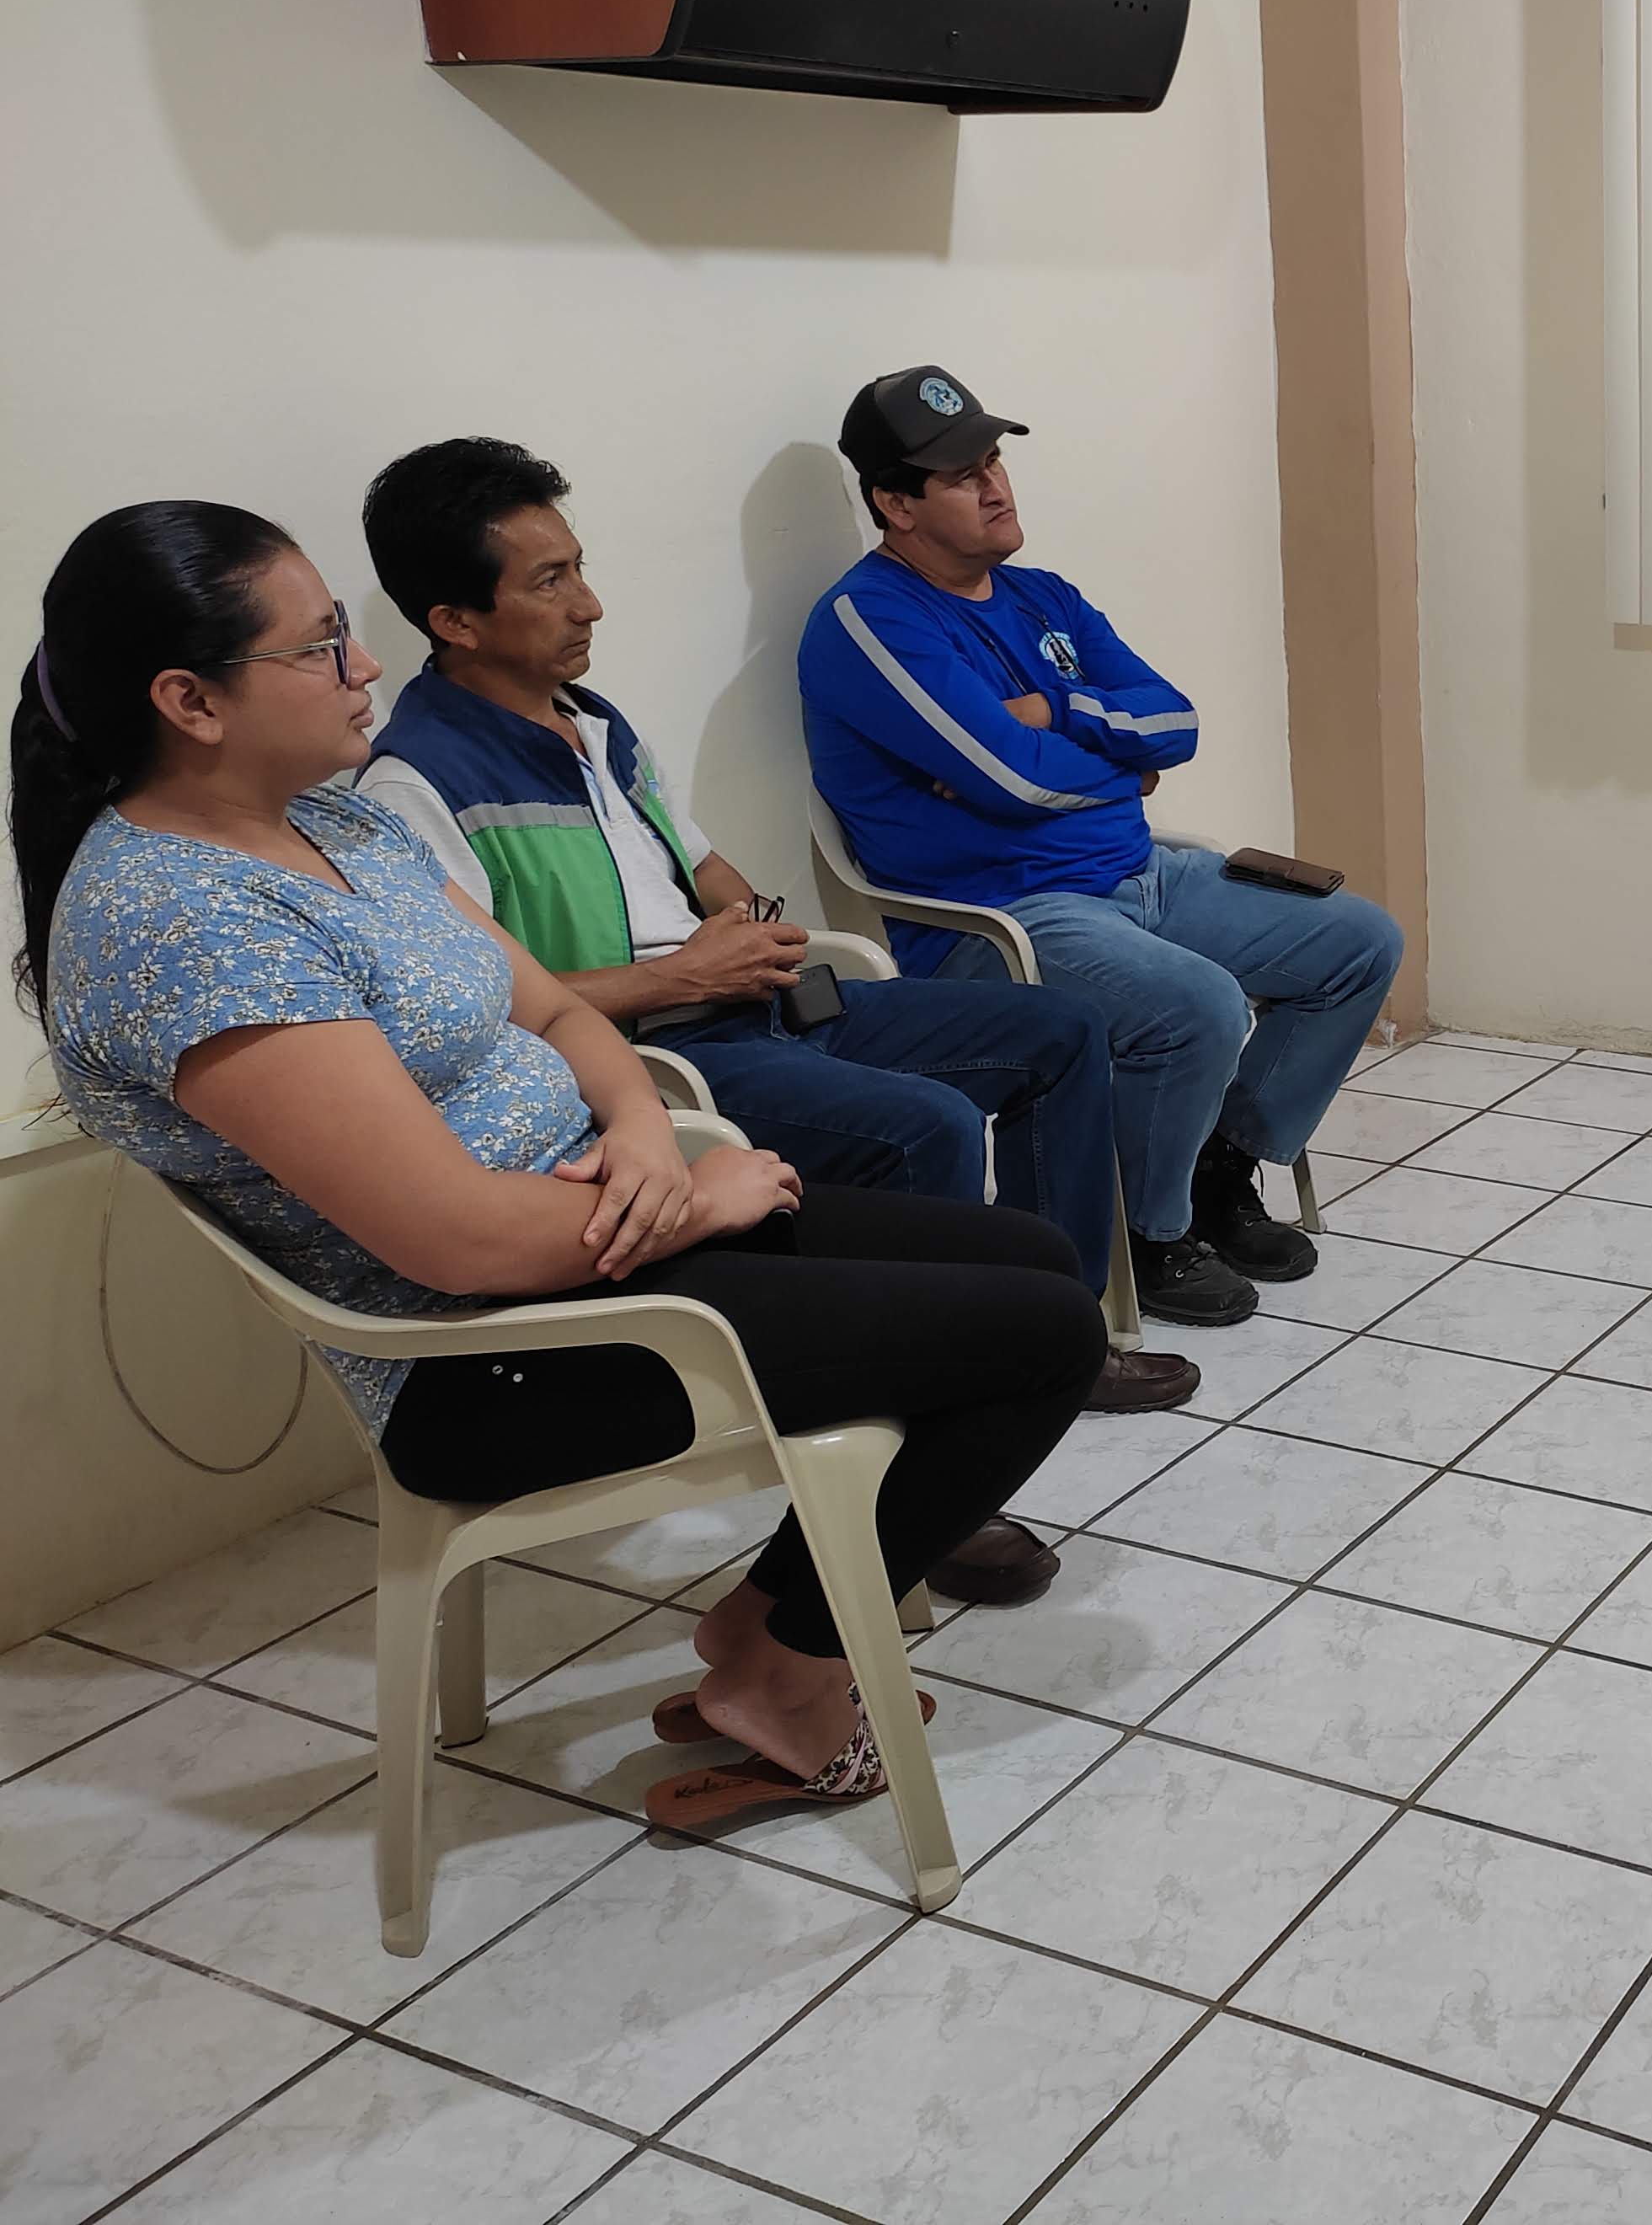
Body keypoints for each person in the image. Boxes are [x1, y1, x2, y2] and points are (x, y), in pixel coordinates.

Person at [15, 501, 1100, 1824]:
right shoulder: (180, 922)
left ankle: (766, 1629)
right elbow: (455, 1242)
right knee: (1040, 1338)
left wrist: (642, 1129)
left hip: (597, 1240)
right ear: (189, 701)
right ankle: (794, 1664)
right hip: (487, 1352)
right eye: (321, 646)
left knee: (1037, 1262)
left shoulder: (336, 830)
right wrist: (692, 1196)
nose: (366, 665)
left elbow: (561, 1012)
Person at [350, 438, 1198, 1486]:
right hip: (655, 1054)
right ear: (455, 620)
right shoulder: (414, 786)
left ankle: (1060, 1330)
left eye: (580, 569)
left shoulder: (595, 725)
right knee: (924, 1124)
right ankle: (928, 1434)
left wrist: (749, 928)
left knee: (1058, 1031)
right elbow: (485, 1011)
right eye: (551, 582)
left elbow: (707, 867)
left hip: (747, 1001)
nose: (590, 606)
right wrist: (681, 978)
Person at [798, 366, 1406, 1327]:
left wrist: (1054, 711)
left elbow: (1177, 722)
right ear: (895, 504)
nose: (995, 486)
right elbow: (1012, 781)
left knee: (1359, 942)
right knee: (1197, 1005)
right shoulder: (869, 620)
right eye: (961, 475)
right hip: (1002, 916)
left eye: (994, 460)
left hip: (1139, 873)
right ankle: (1145, 1235)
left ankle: (1213, 1169)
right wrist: (1124, 770)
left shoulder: (1045, 598)